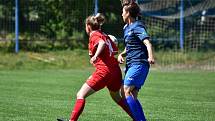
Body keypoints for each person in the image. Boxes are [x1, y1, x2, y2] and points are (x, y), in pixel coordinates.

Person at [57, 13, 133, 121]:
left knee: (80, 94)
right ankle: (137, 118)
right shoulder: (104, 35)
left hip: (104, 71)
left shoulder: (94, 34)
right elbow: (113, 49)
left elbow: (101, 43)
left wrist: (95, 56)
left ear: (88, 26)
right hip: (115, 71)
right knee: (116, 97)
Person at [118, 2, 155, 121]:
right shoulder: (126, 28)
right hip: (130, 64)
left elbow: (147, 42)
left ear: (128, 13)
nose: (121, 14)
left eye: (123, 12)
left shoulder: (138, 26)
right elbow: (130, 46)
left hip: (139, 64)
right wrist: (122, 54)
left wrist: (150, 56)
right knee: (132, 95)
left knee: (125, 90)